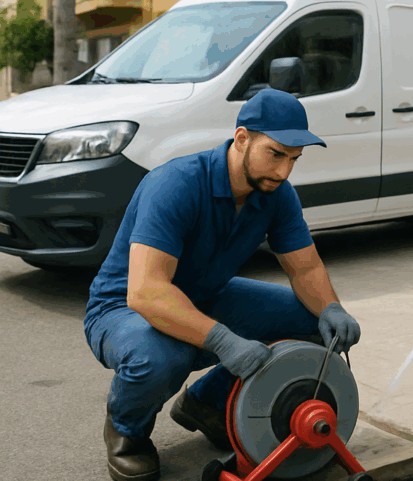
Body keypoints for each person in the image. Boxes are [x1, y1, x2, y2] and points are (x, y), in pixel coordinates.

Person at [83, 88, 362, 481]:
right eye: (276, 154)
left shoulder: (276, 194)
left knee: (314, 322)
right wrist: (222, 341)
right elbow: (146, 292)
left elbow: (306, 271)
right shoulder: (176, 184)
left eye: (293, 160)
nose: (283, 172)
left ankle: (207, 404)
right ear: (242, 138)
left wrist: (332, 308)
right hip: (124, 309)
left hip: (205, 296)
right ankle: (127, 432)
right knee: (163, 356)